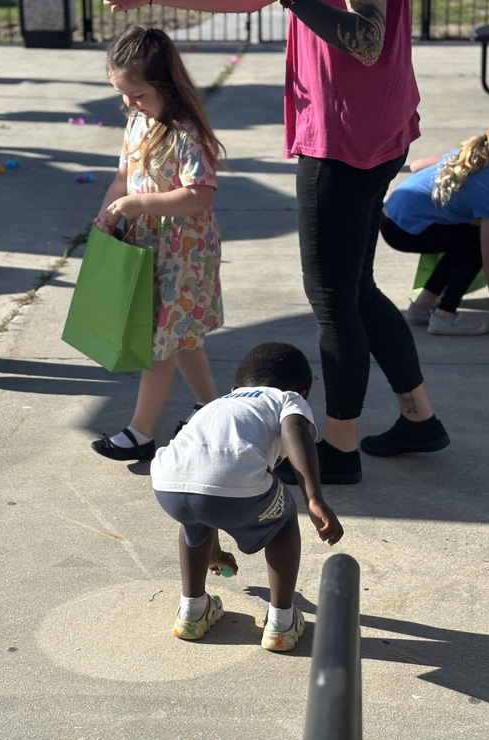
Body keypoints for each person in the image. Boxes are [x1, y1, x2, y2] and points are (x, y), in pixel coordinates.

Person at [105, 0, 449, 472]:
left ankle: (340, 450)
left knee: (332, 298)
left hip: (348, 139)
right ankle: (419, 417)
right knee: (356, 289)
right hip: (369, 128)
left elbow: (367, 41)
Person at [151, 341, 344, 652]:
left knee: (195, 515)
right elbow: (295, 429)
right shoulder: (285, 398)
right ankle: (281, 622)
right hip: (230, 483)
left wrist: (213, 548)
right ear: (303, 392)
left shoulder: (219, 402)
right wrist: (314, 497)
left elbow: (204, 477)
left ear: (236, 386)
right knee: (282, 518)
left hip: (168, 481)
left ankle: (192, 611)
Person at [90, 25, 224, 463]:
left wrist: (140, 202)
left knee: (159, 342)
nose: (130, 104)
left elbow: (199, 194)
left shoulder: (186, 132)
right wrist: (109, 210)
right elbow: (122, 178)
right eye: (123, 95)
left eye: (139, 95)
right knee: (181, 337)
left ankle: (141, 432)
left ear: (165, 85)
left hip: (182, 254)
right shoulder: (137, 122)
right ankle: (213, 409)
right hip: (150, 249)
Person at [381, 110, 489, 338]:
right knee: (475, 244)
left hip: (389, 216)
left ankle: (423, 305)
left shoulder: (469, 155)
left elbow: (419, 166)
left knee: (466, 238)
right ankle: (445, 316)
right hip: (403, 231)